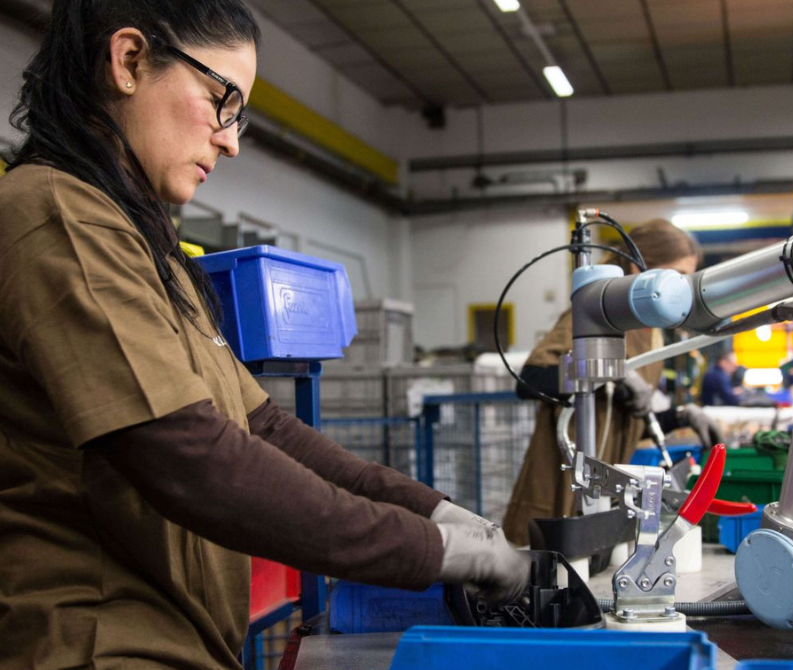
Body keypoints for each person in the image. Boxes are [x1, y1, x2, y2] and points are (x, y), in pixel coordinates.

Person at [0, 3, 527, 668]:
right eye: (223, 101)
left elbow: (266, 428)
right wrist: (436, 551)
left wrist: (439, 513)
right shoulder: (58, 217)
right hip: (97, 640)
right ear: (129, 61)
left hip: (176, 634)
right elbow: (190, 456)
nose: (232, 140)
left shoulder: (146, 245)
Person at [502, 219, 722, 547]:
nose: (681, 288)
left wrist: (681, 416)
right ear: (637, 267)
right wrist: (608, 375)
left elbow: (625, 415)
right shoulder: (594, 313)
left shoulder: (654, 333)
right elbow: (530, 380)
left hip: (607, 487)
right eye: (674, 276)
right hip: (562, 484)